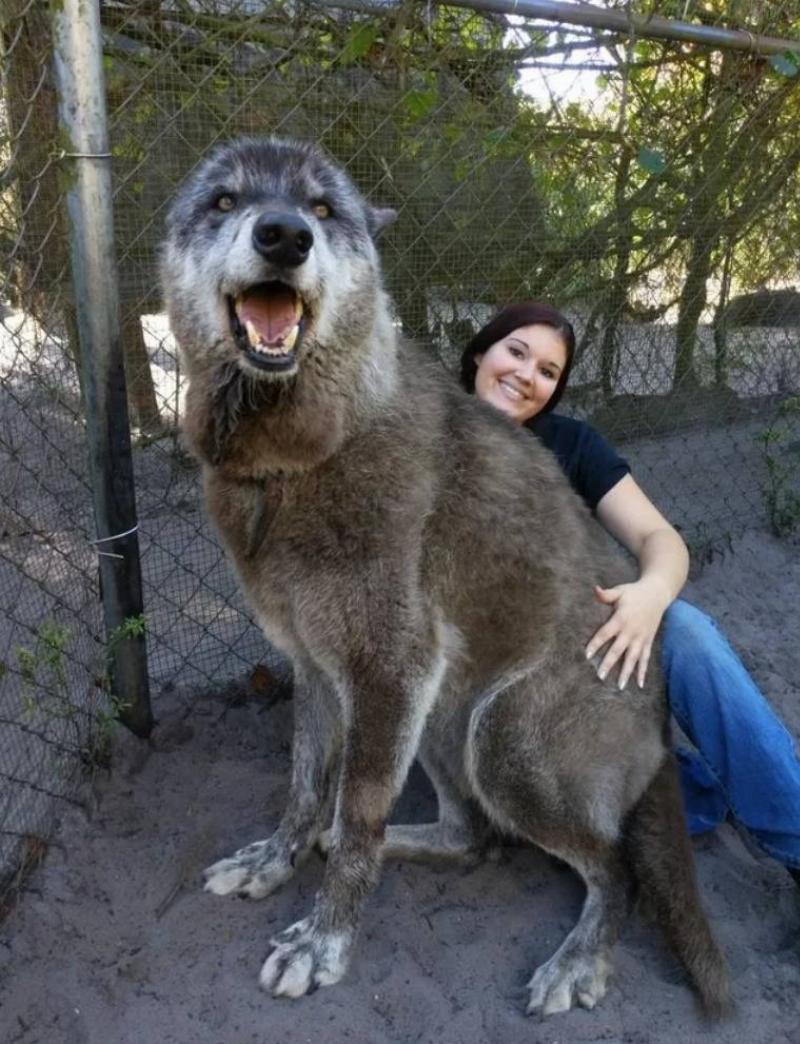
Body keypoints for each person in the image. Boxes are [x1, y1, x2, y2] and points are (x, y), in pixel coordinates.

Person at [459, 300, 800, 880]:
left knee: (686, 631)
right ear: (478, 355)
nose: (526, 375)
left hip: (575, 651)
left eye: (548, 371)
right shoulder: (417, 440)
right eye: (516, 352)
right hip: (481, 683)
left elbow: (658, 536)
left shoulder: (570, 445)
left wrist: (650, 595)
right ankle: (681, 787)